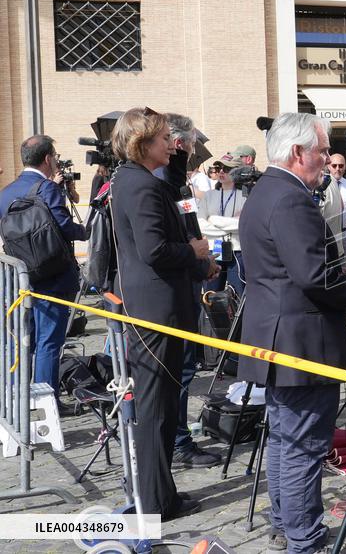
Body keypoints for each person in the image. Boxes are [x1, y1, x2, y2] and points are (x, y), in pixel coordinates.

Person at [238, 113, 346, 554]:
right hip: (299, 339)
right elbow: (314, 276)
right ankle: (303, 537)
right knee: (303, 444)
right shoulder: (290, 198)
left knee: (285, 438)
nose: (328, 159)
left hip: (279, 334)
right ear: (298, 153)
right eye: (321, 152)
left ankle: (286, 525)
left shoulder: (267, 191)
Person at [109, 107, 208, 520]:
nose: (171, 144)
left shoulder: (138, 180)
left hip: (157, 306)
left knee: (164, 406)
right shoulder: (139, 185)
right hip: (155, 311)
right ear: (143, 143)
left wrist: (180, 162)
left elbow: (173, 201)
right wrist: (194, 252)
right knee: (154, 410)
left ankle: (162, 496)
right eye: (165, 138)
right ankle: (153, 502)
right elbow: (154, 250)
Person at [157, 112, 221, 470]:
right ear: (179, 143)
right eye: (193, 143)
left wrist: (204, 260)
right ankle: (178, 441)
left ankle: (177, 438)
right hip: (174, 288)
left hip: (189, 277)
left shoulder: (177, 183)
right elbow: (177, 237)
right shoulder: (164, 183)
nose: (196, 151)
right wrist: (198, 259)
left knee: (181, 369)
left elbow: (189, 225)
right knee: (178, 371)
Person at [0, 136, 87, 394]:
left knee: (22, 342)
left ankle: (18, 401)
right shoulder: (46, 188)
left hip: (21, 279)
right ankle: (48, 402)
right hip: (53, 277)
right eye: (56, 156)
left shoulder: (5, 193)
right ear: (48, 158)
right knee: (49, 342)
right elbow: (64, 227)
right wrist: (85, 231)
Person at [198, 154, 248, 296]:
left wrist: (214, 219)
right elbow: (200, 224)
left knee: (238, 294)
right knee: (211, 295)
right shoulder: (209, 195)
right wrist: (232, 224)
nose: (221, 172)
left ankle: (239, 319)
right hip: (215, 250)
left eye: (227, 169)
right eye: (219, 168)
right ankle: (214, 320)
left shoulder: (244, 195)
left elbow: (244, 224)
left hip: (237, 251)